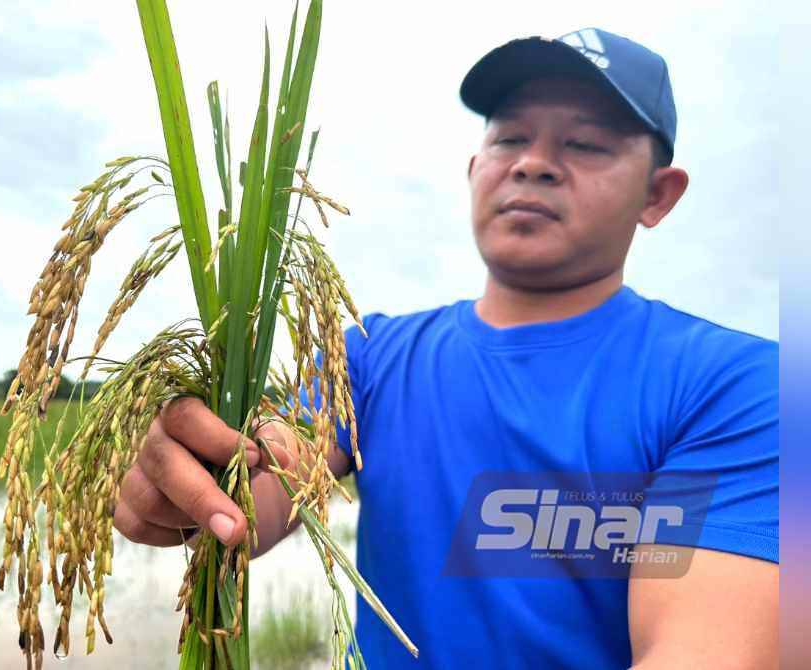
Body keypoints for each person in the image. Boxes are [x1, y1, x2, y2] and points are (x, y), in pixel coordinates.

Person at [114, 27, 779, 669]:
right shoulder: (367, 358)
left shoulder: (738, 387)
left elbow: (707, 652)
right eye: (509, 138)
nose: (533, 163)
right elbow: (272, 482)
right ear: (474, 170)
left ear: (657, 194)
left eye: (585, 144)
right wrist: (193, 485)